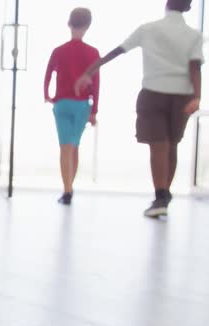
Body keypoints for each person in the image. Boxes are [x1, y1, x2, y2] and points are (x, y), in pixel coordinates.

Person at [75, 0, 203, 218]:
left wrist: (89, 72)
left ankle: (160, 195)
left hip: (153, 92)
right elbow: (194, 67)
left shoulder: (148, 29)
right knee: (172, 144)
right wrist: (197, 97)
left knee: (158, 145)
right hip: (183, 96)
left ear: (167, 4)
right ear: (189, 8)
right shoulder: (193, 35)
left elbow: (118, 51)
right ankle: (164, 196)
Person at [44, 7, 100, 205]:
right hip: (82, 105)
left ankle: (67, 189)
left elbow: (48, 73)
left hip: (62, 104)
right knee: (74, 147)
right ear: (87, 26)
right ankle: (69, 188)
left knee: (66, 148)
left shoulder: (59, 51)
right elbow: (96, 82)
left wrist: (47, 95)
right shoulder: (93, 52)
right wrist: (94, 111)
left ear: (69, 24)